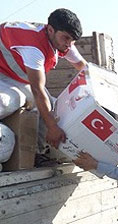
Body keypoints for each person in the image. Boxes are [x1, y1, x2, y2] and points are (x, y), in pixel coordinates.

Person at [0, 9, 86, 150]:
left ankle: (40, 152)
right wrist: (52, 127)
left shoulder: (62, 41)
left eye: (72, 40)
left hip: (11, 75)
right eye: (66, 38)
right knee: (7, 101)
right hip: (3, 74)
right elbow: (37, 90)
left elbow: (83, 68)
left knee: (51, 109)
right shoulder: (33, 47)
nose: (69, 44)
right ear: (50, 30)